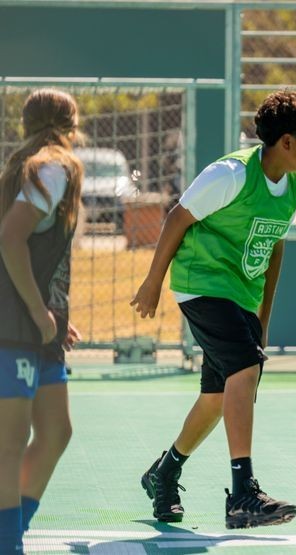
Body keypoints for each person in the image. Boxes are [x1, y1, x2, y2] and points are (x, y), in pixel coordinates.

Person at [130, 90, 296, 529]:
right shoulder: (232, 174)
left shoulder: (293, 185)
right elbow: (178, 217)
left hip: (240, 293)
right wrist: (152, 281)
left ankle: (164, 473)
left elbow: (275, 249)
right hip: (200, 282)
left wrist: (263, 318)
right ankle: (243, 496)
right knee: (243, 368)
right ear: (286, 142)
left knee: (217, 397)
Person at [0, 89, 84, 554]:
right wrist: (36, 309)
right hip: (14, 327)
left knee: (55, 431)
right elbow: (10, 238)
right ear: (73, 125)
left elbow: (33, 250)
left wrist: (52, 311)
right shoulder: (53, 167)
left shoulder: (31, 166)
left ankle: (11, 533)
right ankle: (7, 543)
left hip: (36, 327)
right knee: (8, 443)